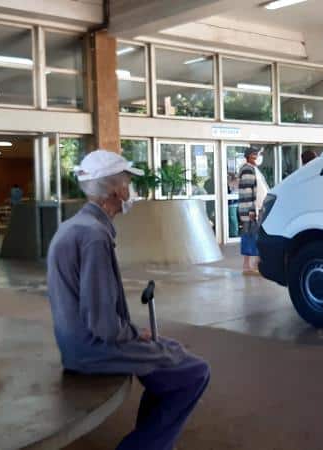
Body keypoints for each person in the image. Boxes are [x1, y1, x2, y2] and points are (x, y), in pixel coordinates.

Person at [46, 150, 210, 450]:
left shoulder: (76, 227)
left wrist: (135, 334)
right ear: (113, 191)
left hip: (76, 342)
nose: (129, 190)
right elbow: (104, 325)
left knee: (170, 353)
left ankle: (154, 442)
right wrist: (135, 334)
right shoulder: (94, 237)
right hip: (90, 349)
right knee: (194, 372)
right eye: (126, 183)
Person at [238, 146, 269, 275]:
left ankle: (255, 264)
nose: (257, 157)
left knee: (253, 236)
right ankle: (248, 266)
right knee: (250, 236)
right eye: (254, 155)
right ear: (248, 156)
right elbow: (247, 191)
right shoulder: (247, 169)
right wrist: (251, 211)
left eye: (258, 154)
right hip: (251, 211)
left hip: (257, 209)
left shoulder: (253, 169)